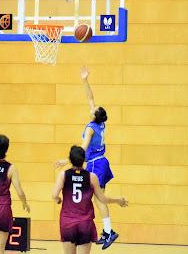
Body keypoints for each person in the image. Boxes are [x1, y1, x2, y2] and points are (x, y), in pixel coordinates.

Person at [55, 66, 118, 249]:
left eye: (94, 109)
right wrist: (84, 80)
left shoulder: (91, 129)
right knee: (100, 198)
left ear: (94, 115)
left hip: (95, 164)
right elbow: (90, 98)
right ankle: (107, 231)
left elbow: (82, 150)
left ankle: (109, 231)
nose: (92, 107)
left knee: (99, 199)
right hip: (102, 161)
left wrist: (65, 161)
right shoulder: (100, 122)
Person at [52, 146, 128, 254]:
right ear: (84, 159)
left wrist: (58, 200)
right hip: (85, 223)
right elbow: (103, 199)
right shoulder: (91, 177)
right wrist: (118, 200)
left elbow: (54, 195)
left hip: (67, 222)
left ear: (70, 159)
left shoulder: (63, 175)